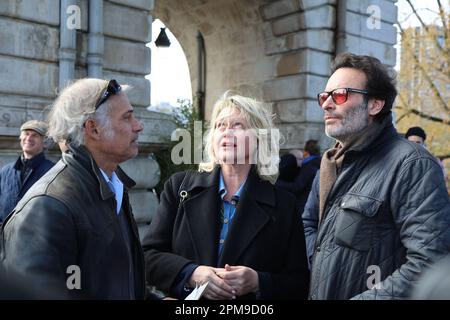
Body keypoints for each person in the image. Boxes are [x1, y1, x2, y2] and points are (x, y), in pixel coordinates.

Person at [306, 52, 450, 300]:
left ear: (375, 104)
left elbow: (429, 262)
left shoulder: (412, 164)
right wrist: (324, 262)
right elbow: (309, 224)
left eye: (340, 95)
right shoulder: (330, 163)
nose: (327, 104)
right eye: (324, 96)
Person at [142, 92, 309, 300]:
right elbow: (147, 257)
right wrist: (190, 273)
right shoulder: (179, 188)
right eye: (220, 125)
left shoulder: (284, 204)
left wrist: (258, 281)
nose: (227, 132)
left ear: (260, 138)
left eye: (238, 125)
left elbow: (299, 282)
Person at [0, 78, 146, 299]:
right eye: (127, 117)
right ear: (93, 128)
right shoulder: (46, 206)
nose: (138, 125)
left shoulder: (112, 186)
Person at [0, 120, 54, 224]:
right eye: (26, 134)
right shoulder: (5, 171)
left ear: (44, 142)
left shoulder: (52, 172)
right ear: (21, 137)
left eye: (35, 135)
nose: (29, 138)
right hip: (5, 237)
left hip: (35, 237)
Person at [276, 141, 321, 216]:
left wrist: (276, 183)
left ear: (306, 153)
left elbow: (297, 186)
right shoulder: (317, 164)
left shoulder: (309, 167)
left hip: (303, 206)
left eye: (301, 158)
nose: (300, 162)